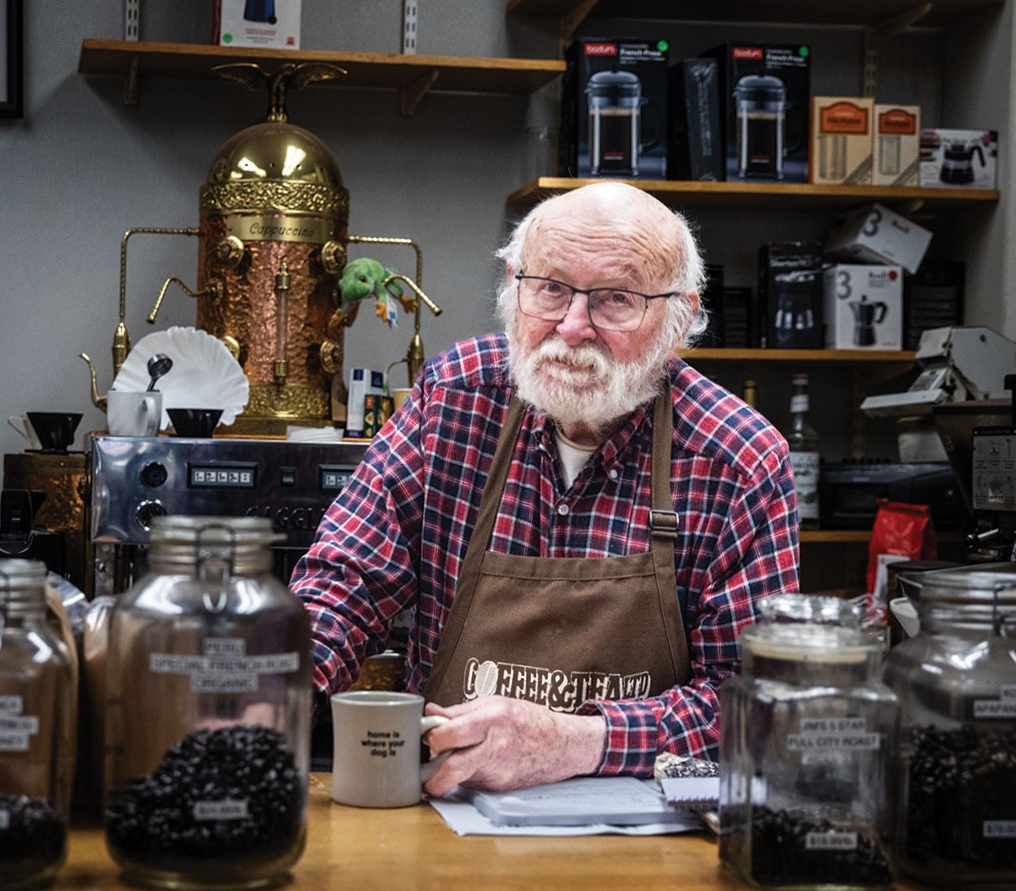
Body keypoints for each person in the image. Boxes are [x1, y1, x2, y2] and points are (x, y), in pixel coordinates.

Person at [289, 181, 801, 798]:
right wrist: (272, 692)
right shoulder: (453, 399)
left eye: (616, 299)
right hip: (450, 804)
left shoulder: (738, 458)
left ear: (681, 317)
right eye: (551, 289)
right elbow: (344, 586)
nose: (573, 326)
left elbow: (756, 702)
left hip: (647, 840)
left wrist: (576, 741)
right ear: (514, 286)